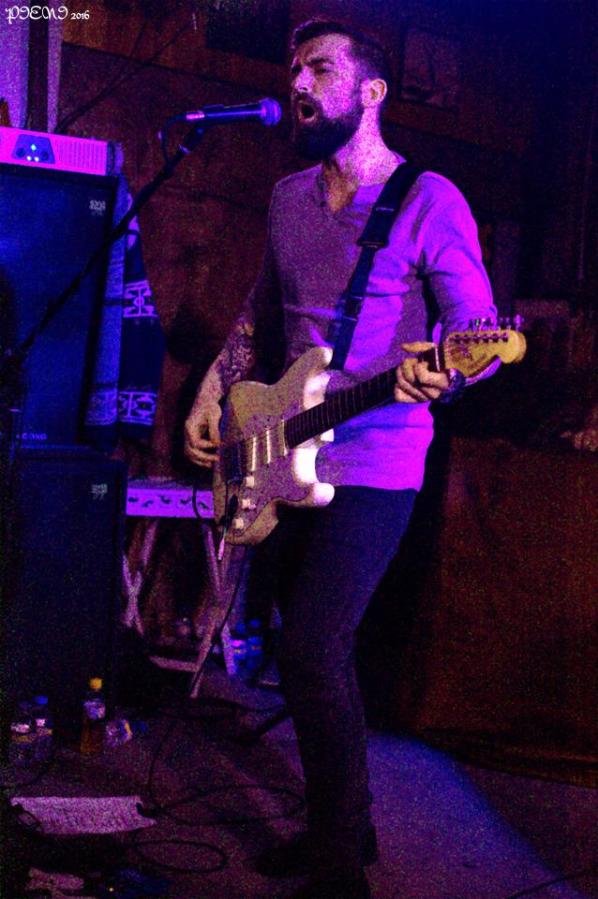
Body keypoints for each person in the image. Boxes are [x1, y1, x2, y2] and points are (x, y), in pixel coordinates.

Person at [184, 18, 496, 899]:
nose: (297, 82)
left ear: (371, 92)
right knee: (303, 646)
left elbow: (474, 333)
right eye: (294, 68)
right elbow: (261, 314)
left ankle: (338, 866)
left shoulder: (430, 200)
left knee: (316, 646)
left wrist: (449, 374)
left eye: (320, 68)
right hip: (284, 446)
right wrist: (213, 388)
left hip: (379, 458)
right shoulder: (287, 198)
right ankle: (346, 823)